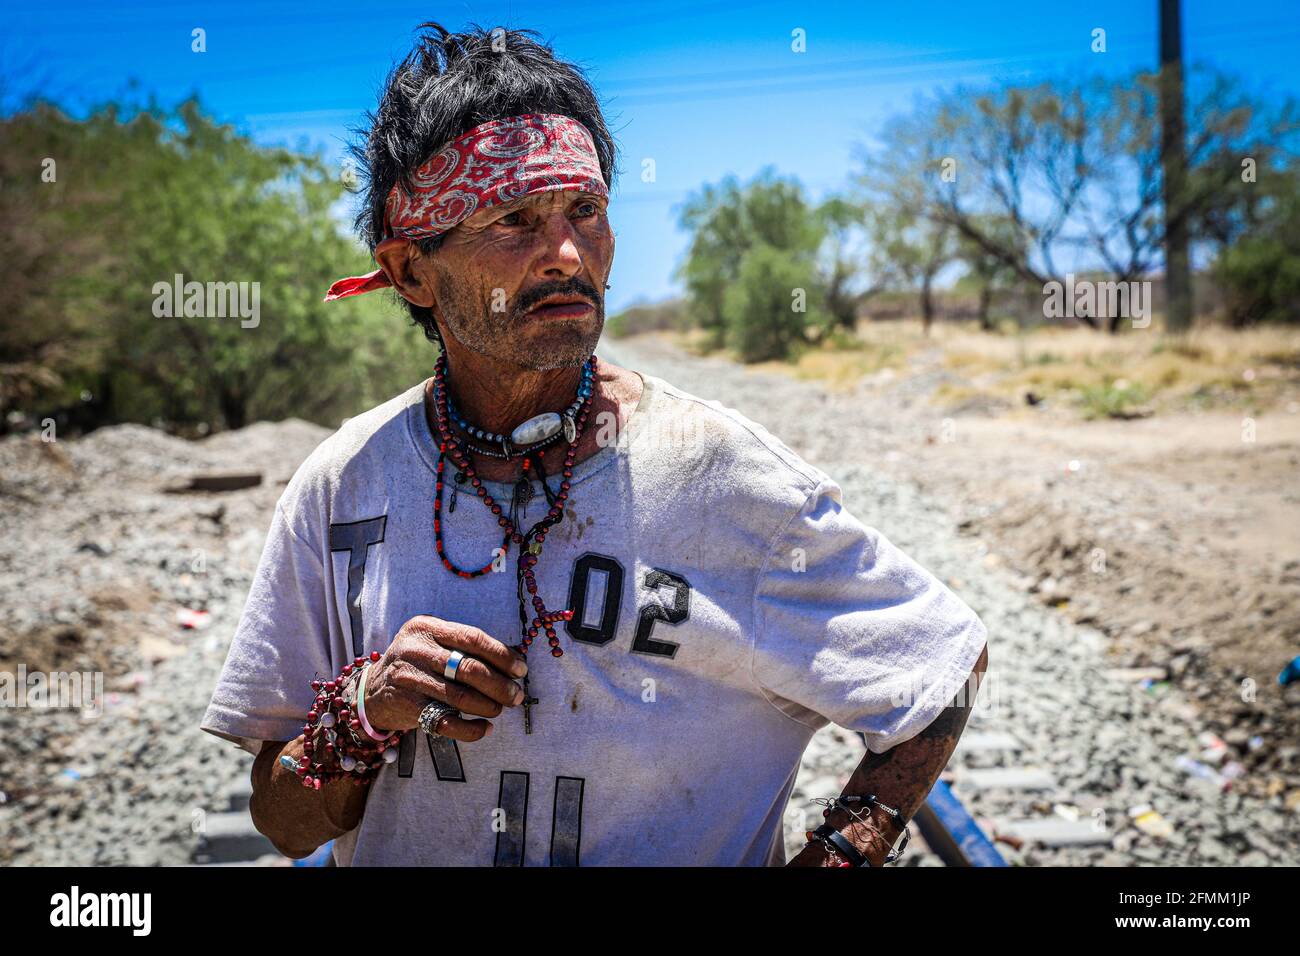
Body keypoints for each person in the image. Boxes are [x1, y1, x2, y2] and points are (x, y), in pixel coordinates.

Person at [201, 22, 988, 867]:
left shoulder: (718, 469)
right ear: (411, 272)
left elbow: (941, 662)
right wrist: (365, 709)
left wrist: (844, 849)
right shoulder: (343, 485)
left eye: (586, 211)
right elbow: (283, 824)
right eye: (514, 221)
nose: (568, 254)